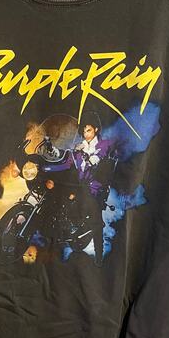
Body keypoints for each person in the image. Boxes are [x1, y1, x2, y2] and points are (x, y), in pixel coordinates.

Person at [71, 111, 114, 267]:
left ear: (96, 129)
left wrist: (91, 158)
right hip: (78, 185)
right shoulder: (79, 146)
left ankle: (99, 256)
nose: (85, 133)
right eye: (83, 131)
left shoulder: (104, 144)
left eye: (88, 130)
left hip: (94, 187)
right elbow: (69, 162)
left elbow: (100, 155)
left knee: (96, 221)